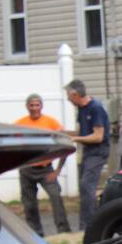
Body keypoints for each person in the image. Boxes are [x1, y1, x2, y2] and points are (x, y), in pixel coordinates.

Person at [14, 93, 72, 236]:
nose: (34, 108)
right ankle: (36, 233)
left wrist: (58, 170)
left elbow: (64, 145)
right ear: (27, 106)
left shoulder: (51, 123)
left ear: (41, 106)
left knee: (55, 197)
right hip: (27, 169)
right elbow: (13, 146)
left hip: (46, 169)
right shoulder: (19, 124)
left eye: (37, 105)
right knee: (29, 203)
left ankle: (63, 230)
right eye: (31, 105)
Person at [65, 79, 110, 231]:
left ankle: (88, 226)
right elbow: (80, 132)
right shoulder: (81, 109)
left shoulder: (95, 108)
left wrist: (75, 139)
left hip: (98, 152)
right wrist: (62, 134)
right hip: (88, 152)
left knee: (87, 185)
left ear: (75, 94)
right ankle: (94, 221)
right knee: (84, 187)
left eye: (68, 96)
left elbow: (98, 137)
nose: (68, 99)